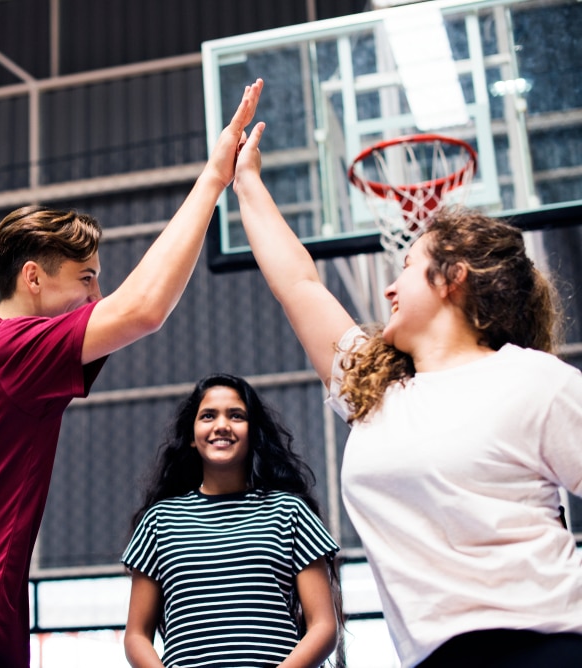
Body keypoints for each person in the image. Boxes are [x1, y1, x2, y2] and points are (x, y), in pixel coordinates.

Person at [0, 80, 267, 667]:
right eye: (85, 277)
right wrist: (214, 180)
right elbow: (142, 309)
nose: (96, 294)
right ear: (33, 278)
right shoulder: (8, 349)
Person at [230, 95, 582, 667]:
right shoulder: (377, 397)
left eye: (406, 269)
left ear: (452, 280)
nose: (390, 289)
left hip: (546, 643)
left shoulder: (533, 381)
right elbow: (298, 283)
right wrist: (245, 183)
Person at [121, 373, 343, 668]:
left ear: (254, 432)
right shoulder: (159, 521)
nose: (222, 425)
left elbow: (324, 627)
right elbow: (136, 636)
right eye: (208, 416)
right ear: (191, 435)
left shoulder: (290, 512)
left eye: (236, 415)